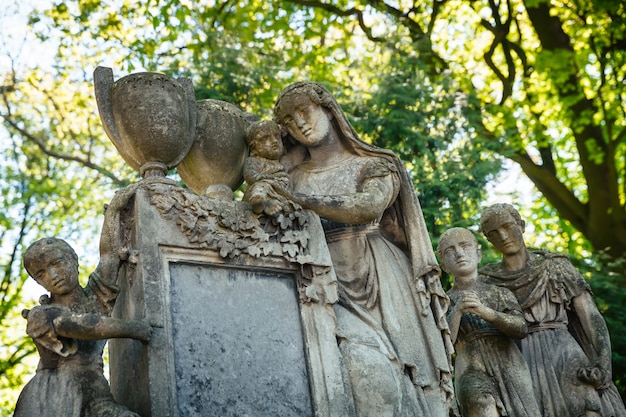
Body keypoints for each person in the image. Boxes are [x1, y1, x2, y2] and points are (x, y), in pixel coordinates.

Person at [272, 81, 453, 417]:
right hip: (323, 279)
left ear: (328, 108)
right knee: (359, 371)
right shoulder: (290, 176)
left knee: (408, 377)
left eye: (304, 111)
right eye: (289, 122)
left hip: (382, 275)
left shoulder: (374, 164)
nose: (300, 123)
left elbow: (368, 206)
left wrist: (297, 199)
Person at [479, 203, 626, 417]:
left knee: (587, 409)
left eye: (507, 226)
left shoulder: (555, 266)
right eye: (493, 233)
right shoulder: (489, 281)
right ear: (489, 240)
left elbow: (591, 316)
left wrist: (603, 363)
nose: (503, 236)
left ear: (521, 225)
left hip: (564, 353)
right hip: (519, 360)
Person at [14, 238, 151, 417]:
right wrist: (135, 329)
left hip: (96, 392)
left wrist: (114, 211)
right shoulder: (41, 315)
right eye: (41, 274)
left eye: (56, 263)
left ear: (73, 259)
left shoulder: (95, 298)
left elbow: (109, 255)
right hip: (54, 397)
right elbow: (81, 325)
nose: (53, 275)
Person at [439, 227, 541, 417]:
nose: (459, 254)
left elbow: (520, 328)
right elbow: (443, 346)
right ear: (444, 265)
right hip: (470, 366)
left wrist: (485, 312)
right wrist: (457, 311)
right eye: (450, 251)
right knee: (481, 402)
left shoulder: (499, 292)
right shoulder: (441, 302)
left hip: (509, 364)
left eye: (464, 246)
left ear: (478, 255)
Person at [243, 119, 297, 215]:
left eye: (277, 136)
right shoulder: (254, 160)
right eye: (265, 138)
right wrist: (262, 178)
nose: (274, 141)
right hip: (264, 187)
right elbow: (249, 175)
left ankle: (272, 204)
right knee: (261, 186)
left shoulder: (282, 162)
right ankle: (259, 204)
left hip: (281, 190)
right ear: (254, 148)